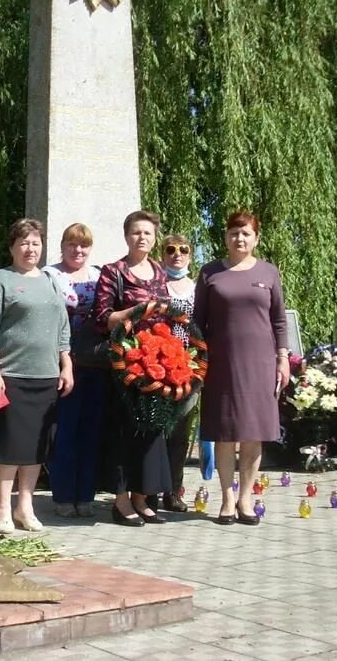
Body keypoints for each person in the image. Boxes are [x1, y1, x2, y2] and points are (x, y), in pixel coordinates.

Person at [192, 209, 290, 525]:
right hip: (221, 363)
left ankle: (246, 496)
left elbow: (278, 320)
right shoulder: (209, 273)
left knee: (252, 433)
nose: (240, 238)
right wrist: (198, 360)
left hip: (260, 363)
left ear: (256, 238)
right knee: (224, 432)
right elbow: (197, 322)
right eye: (234, 233)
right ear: (225, 237)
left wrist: (283, 358)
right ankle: (227, 498)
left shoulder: (269, 272)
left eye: (246, 233)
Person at [0, 219, 73, 534]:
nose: (30, 249)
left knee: (35, 448)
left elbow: (62, 328)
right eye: (24, 243)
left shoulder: (49, 281)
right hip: (11, 377)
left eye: (35, 243)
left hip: (46, 378)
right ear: (12, 247)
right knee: (9, 446)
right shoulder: (1, 279)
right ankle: (3, 508)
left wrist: (66, 364)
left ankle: (25, 507)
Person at [93, 210, 171, 527]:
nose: (142, 238)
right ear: (127, 237)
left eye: (148, 233)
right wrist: (137, 312)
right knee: (123, 430)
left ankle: (143, 496)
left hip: (156, 361)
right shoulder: (114, 272)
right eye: (136, 232)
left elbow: (167, 316)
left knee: (152, 429)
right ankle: (121, 500)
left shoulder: (160, 273)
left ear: (154, 239)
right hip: (123, 360)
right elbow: (102, 318)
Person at [43, 223, 105, 518]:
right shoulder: (50, 276)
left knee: (91, 431)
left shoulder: (100, 275)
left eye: (84, 245)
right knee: (65, 431)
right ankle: (64, 495)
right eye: (72, 244)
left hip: (95, 362)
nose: (78, 250)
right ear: (62, 246)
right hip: (62, 363)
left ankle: (86, 495)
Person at [159, 234, 198, 512]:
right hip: (156, 365)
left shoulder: (197, 289)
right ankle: (149, 489)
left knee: (180, 432)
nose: (177, 254)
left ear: (190, 255)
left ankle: (173, 490)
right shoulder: (156, 285)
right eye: (170, 250)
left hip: (189, 368)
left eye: (183, 250)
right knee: (155, 430)